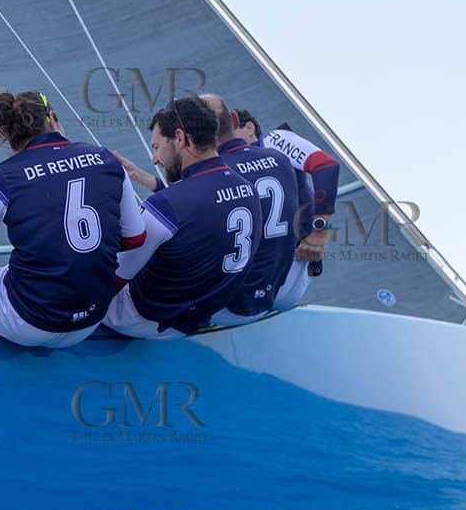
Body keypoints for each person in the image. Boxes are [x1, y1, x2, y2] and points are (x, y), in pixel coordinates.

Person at [0, 91, 144, 347]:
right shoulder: (106, 160)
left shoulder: (1, 179)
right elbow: (136, 238)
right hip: (93, 315)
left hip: (30, 321)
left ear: (8, 135)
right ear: (52, 118)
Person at [106, 98, 261, 338]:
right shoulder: (249, 190)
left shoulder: (166, 206)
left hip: (142, 319)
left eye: (156, 147)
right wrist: (143, 178)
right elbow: (198, 203)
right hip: (199, 317)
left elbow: (112, 278)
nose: (154, 159)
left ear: (180, 138)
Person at [202, 94, 299, 326]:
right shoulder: (279, 158)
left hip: (232, 308)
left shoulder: (213, 173)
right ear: (234, 119)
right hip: (287, 287)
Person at [235, 108, 340, 308]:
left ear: (249, 128)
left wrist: (319, 232)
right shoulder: (226, 163)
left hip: (291, 268)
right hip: (256, 276)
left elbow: (326, 166)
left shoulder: (271, 140)